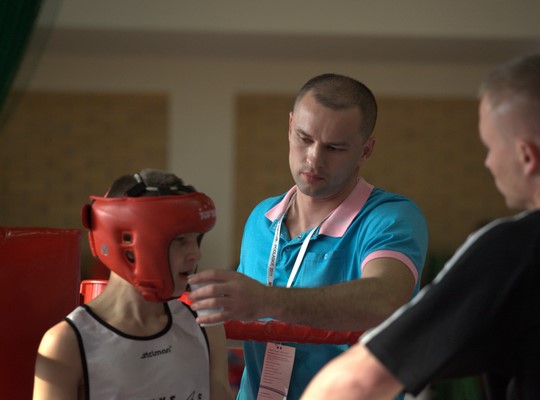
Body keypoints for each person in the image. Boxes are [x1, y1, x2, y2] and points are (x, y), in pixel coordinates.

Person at [301, 52, 540, 400]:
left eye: (490, 147)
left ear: (526, 157)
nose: (488, 163)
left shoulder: (516, 250)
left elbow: (354, 383)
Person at [187, 73, 429, 399]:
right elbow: (239, 327)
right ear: (290, 127)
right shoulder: (261, 218)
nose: (314, 159)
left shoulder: (389, 217)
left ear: (366, 150)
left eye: (335, 148)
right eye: (304, 138)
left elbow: (386, 300)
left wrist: (266, 300)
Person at [33, 169, 234, 400]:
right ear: (127, 243)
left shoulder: (204, 325)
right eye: (180, 240)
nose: (196, 254)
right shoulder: (67, 342)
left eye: (196, 239)